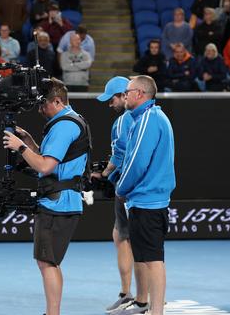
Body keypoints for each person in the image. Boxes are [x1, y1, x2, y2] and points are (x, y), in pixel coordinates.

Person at [2, 78, 88, 315]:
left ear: (58, 101)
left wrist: (20, 147)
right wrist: (29, 142)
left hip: (57, 202)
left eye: (43, 104)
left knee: (47, 263)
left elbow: (45, 166)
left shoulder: (63, 126)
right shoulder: (68, 121)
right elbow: (51, 158)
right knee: (49, 262)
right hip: (60, 200)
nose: (40, 109)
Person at [116, 75, 175, 315]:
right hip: (148, 200)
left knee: (152, 260)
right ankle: (153, 309)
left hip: (147, 201)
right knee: (151, 258)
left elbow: (137, 162)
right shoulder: (149, 117)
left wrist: (121, 188)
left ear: (139, 94)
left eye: (128, 91)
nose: (125, 95)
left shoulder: (148, 120)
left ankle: (156, 311)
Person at [93, 77, 141, 314]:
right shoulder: (145, 118)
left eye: (111, 98)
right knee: (134, 240)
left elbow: (121, 156)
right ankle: (145, 295)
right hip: (137, 190)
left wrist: (104, 173)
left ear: (124, 95)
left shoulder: (124, 120)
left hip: (128, 190)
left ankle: (131, 295)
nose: (109, 104)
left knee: (124, 238)